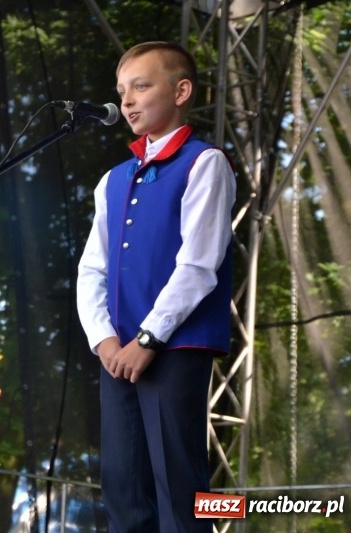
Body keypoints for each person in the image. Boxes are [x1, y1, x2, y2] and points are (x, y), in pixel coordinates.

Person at [76, 41, 236, 532]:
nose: (126, 100)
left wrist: (147, 339)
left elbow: (198, 265)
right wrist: (105, 340)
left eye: (141, 86)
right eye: (121, 90)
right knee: (121, 484)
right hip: (117, 353)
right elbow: (92, 269)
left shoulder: (204, 163)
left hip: (173, 346)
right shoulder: (113, 179)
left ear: (181, 91)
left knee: (180, 486)